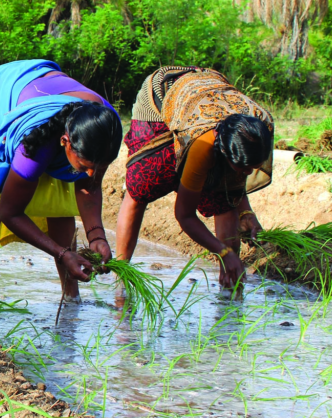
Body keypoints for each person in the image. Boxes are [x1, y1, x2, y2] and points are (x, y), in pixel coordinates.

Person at [0, 59, 123, 313]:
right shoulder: (36, 142)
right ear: (65, 141)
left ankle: (72, 301)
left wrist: (97, 235)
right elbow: (9, 212)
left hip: (31, 90)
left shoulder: (104, 129)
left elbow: (90, 186)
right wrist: (63, 254)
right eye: (86, 165)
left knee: (60, 197)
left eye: (97, 167)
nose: (91, 173)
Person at [115, 66, 274, 288]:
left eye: (253, 168)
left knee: (222, 199)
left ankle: (229, 284)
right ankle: (121, 277)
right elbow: (184, 215)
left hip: (208, 87)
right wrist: (223, 251)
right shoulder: (204, 145)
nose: (248, 174)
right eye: (244, 168)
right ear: (224, 150)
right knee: (144, 182)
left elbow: (232, 188)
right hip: (162, 93)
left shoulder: (261, 127)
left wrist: (245, 212)